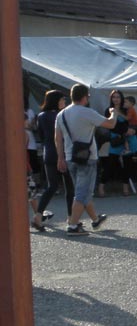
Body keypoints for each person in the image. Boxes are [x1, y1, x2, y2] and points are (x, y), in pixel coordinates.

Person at [54, 83, 115, 235]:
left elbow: (58, 138)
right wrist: (114, 113)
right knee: (82, 193)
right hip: (87, 158)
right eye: (88, 96)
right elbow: (110, 124)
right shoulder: (87, 112)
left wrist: (60, 157)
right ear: (84, 97)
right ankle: (73, 226)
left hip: (70, 156)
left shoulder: (61, 114)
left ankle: (95, 220)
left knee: (83, 191)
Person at [33, 90, 73, 230]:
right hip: (63, 152)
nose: (64, 102)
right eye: (62, 99)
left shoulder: (41, 116)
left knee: (52, 186)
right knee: (69, 186)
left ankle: (38, 215)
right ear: (56, 101)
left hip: (48, 152)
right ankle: (71, 218)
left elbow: (41, 135)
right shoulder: (61, 115)